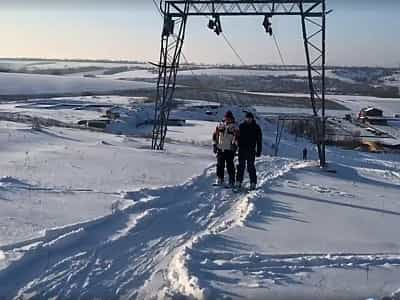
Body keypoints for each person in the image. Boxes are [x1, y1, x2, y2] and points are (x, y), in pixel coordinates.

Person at [236, 112, 262, 190]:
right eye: (247, 118)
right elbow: (237, 137)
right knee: (241, 166)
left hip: (251, 150)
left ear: (252, 119)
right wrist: (236, 146)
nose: (248, 120)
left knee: (250, 167)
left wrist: (258, 151)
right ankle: (238, 182)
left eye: (250, 118)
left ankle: (253, 183)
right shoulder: (241, 126)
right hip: (242, 150)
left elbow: (259, 140)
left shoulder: (256, 127)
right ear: (245, 118)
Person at [213, 111, 239, 187]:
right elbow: (215, 135)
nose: (227, 119)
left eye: (229, 118)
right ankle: (220, 179)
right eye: (226, 118)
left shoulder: (234, 127)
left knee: (230, 165)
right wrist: (215, 144)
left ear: (231, 118)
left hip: (229, 149)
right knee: (219, 165)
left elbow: (238, 137)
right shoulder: (220, 125)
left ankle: (231, 181)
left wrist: (235, 146)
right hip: (220, 148)